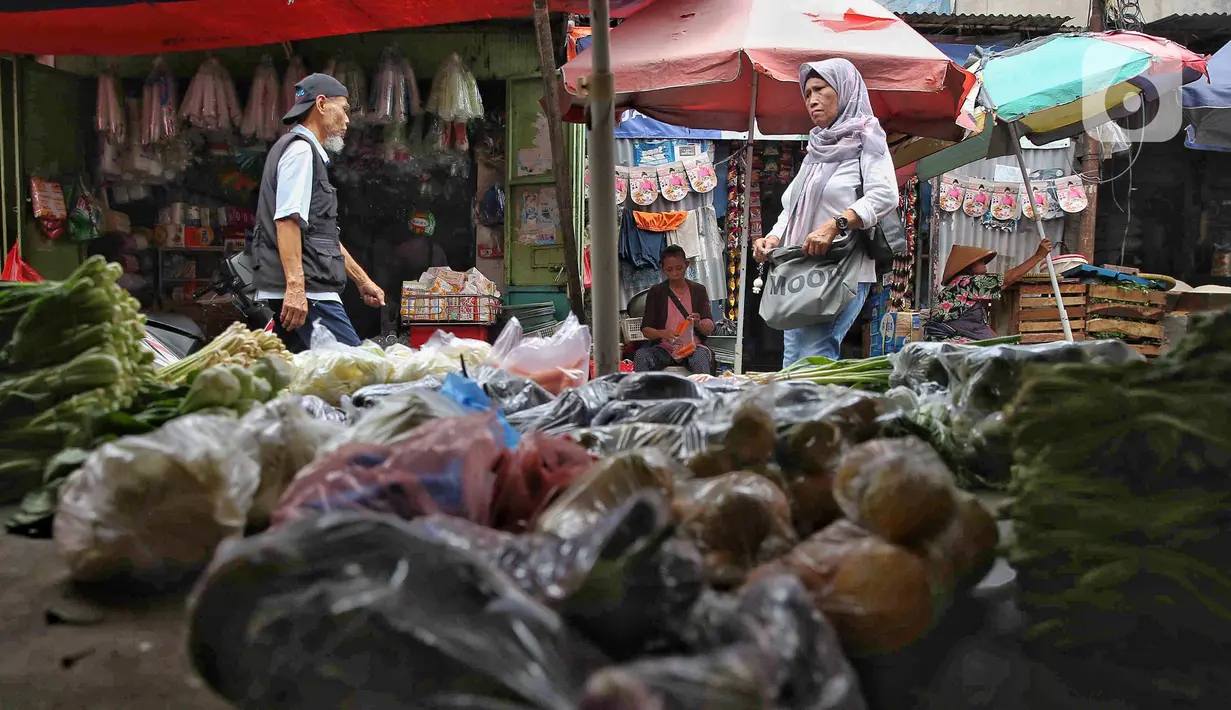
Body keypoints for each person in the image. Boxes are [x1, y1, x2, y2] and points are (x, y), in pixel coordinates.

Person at [752, 59, 900, 368]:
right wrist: (773, 238)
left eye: (820, 89)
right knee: (792, 362)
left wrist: (836, 224)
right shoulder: (817, 148)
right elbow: (792, 207)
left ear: (844, 91)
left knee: (813, 359)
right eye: (807, 94)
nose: (812, 100)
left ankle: (817, 415)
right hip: (798, 273)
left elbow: (886, 195)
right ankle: (795, 417)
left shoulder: (866, 138)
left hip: (839, 272)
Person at [251, 73, 385, 351]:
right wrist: (296, 288)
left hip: (301, 291)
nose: (348, 120)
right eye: (344, 110)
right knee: (353, 372)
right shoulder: (300, 152)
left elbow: (319, 234)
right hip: (309, 294)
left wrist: (362, 280)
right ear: (322, 104)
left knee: (303, 380)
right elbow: (287, 221)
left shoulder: (303, 152)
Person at [926, 238, 1055, 342]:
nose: (985, 266)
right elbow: (1009, 278)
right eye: (981, 262)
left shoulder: (963, 285)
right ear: (969, 266)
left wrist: (998, 340)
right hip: (949, 342)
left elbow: (981, 324)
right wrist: (1038, 256)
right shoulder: (966, 282)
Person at [635, 245, 716, 374]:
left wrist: (699, 323)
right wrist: (664, 334)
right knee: (642, 355)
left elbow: (710, 327)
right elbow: (646, 330)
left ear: (687, 264)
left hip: (693, 348)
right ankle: (644, 393)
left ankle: (701, 393)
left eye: (679, 268)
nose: (675, 274)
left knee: (700, 358)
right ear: (663, 270)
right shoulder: (657, 292)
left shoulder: (698, 290)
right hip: (665, 348)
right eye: (669, 270)